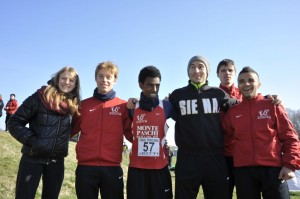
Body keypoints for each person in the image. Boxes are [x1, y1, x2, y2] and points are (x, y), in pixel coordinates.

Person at [222, 66, 300, 199]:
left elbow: (290, 137)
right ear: (238, 85)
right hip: (243, 171)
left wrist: (289, 165)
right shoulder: (233, 112)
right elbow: (224, 139)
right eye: (241, 81)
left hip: (273, 170)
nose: (246, 84)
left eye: (250, 80)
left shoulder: (272, 105)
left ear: (259, 84)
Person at [168, 55, 238, 199]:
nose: (196, 71)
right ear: (188, 72)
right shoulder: (177, 95)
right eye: (192, 67)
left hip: (215, 158)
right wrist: (136, 101)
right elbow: (156, 107)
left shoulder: (218, 93)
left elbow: (241, 104)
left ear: (207, 71)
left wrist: (266, 99)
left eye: (201, 67)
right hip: (187, 159)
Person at [8, 66, 81, 199]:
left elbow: (72, 130)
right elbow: (14, 123)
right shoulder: (40, 96)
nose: (67, 82)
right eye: (63, 78)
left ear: (76, 84)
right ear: (57, 79)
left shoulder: (74, 105)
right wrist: (34, 142)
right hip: (32, 158)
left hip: (56, 162)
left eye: (71, 80)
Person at [217, 59, 283, 199]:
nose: (226, 73)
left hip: (246, 157)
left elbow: (258, 104)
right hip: (223, 155)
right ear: (217, 74)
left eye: (230, 70)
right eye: (223, 70)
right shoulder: (211, 95)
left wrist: (273, 100)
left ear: (235, 74)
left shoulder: (246, 91)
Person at [71, 61, 133, 199]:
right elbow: (68, 131)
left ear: (115, 80)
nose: (104, 80)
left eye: (108, 77)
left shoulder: (123, 106)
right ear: (95, 79)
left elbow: (132, 135)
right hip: (85, 168)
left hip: (112, 168)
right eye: (100, 76)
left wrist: (140, 110)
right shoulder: (83, 105)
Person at [126, 66, 175, 199]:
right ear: (140, 85)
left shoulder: (167, 106)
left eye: (157, 85)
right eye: (149, 85)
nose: (154, 89)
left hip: (160, 168)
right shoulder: (131, 107)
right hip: (137, 169)